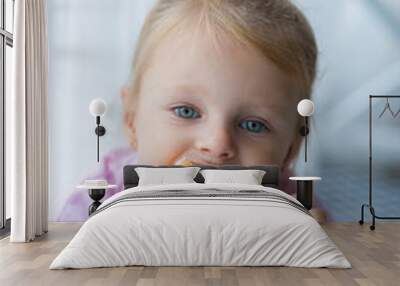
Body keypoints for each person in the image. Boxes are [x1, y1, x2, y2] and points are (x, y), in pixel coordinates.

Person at [58, 0, 320, 221]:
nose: (217, 145)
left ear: (290, 150)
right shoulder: (105, 192)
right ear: (131, 120)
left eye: (254, 125)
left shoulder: (292, 203)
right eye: (186, 111)